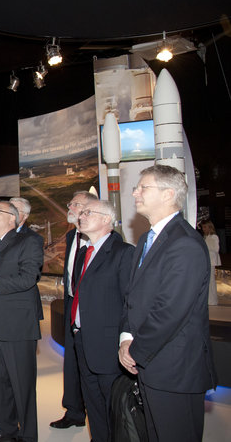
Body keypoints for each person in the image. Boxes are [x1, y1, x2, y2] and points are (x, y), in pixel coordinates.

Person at [119, 165, 217, 442]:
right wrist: (126, 338)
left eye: (143, 187)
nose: (135, 192)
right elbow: (133, 296)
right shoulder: (147, 240)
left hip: (175, 370)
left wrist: (135, 350)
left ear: (168, 194)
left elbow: (170, 311)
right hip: (151, 365)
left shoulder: (184, 243)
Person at [0, 201, 43, 442]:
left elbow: (28, 279)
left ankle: (28, 435)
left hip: (17, 324)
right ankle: (5, 429)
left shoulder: (28, 241)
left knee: (21, 384)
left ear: (12, 219)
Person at [70, 200, 133, 442]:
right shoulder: (84, 253)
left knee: (115, 409)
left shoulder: (123, 252)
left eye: (87, 212)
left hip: (109, 346)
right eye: (81, 212)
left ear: (106, 219)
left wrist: (125, 340)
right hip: (83, 339)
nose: (81, 216)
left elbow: (131, 302)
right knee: (94, 407)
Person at [51, 190, 97, 429]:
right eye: (69, 203)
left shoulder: (101, 238)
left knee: (92, 365)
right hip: (72, 304)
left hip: (92, 310)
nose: (69, 207)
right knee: (71, 361)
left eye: (75, 204)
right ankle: (74, 412)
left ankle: (97, 416)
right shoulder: (71, 238)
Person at [199, 219, 220, 305]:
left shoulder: (214, 237)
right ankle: (209, 299)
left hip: (211, 260)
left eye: (205, 227)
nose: (203, 229)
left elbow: (215, 249)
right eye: (203, 227)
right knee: (208, 280)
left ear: (209, 227)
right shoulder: (206, 237)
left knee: (211, 281)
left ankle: (212, 300)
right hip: (207, 260)